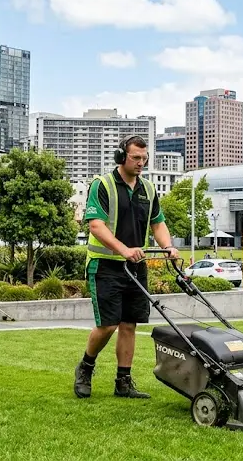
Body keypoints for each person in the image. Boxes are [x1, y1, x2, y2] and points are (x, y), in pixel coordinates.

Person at [74, 135, 179, 400]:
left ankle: (123, 382)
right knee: (108, 325)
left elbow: (158, 223)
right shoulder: (103, 185)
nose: (141, 163)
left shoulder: (148, 189)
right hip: (105, 266)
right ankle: (86, 367)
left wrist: (168, 246)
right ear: (121, 156)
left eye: (144, 158)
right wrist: (123, 250)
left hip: (136, 267)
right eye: (136, 157)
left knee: (129, 325)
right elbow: (96, 225)